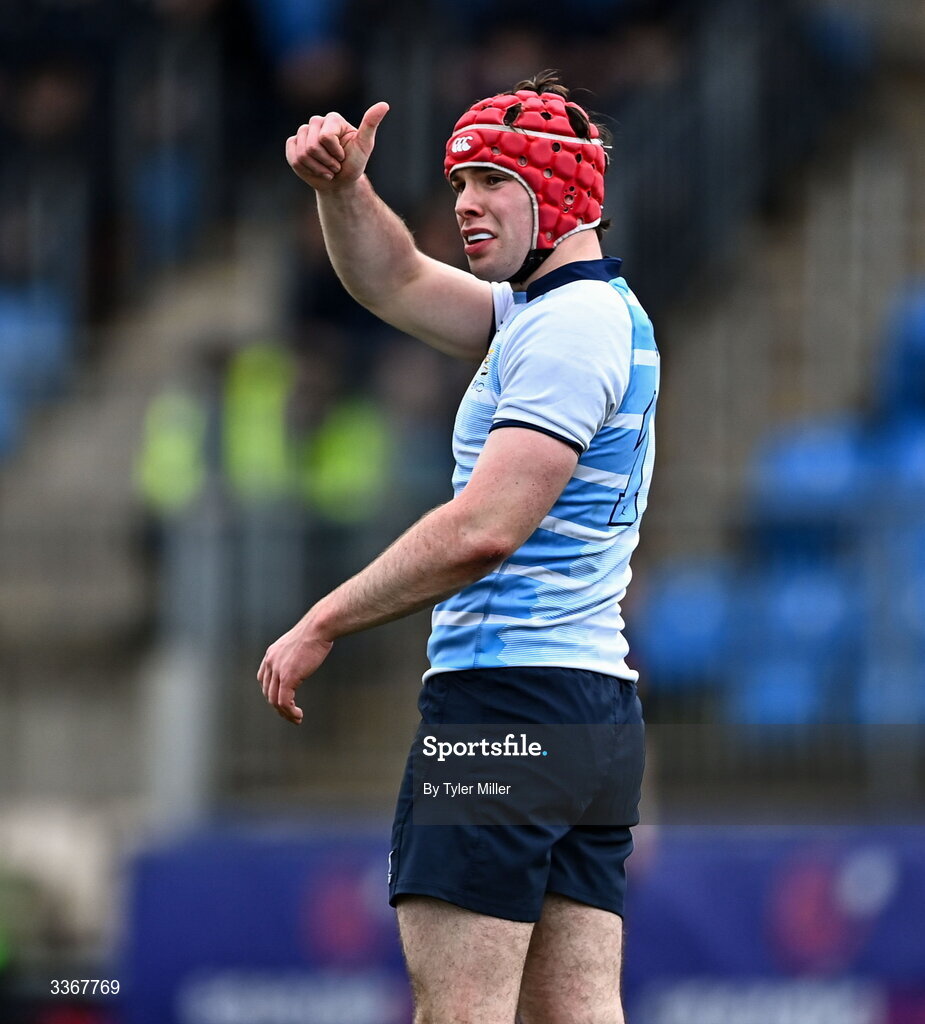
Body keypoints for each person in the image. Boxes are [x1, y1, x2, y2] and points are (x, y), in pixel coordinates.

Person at [258, 71, 659, 1024]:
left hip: (503, 707)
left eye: (490, 182)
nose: (465, 207)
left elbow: (484, 530)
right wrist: (342, 189)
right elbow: (390, 278)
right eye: (456, 185)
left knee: (462, 1015)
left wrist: (324, 618)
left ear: (557, 192)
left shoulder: (566, 331)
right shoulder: (552, 311)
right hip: (589, 712)